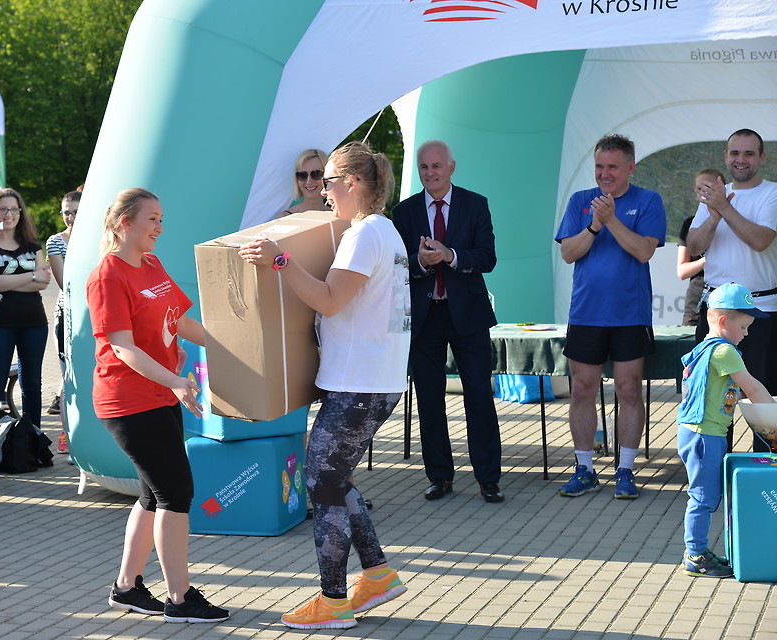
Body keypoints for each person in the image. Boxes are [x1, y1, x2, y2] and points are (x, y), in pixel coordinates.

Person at [241, 141, 410, 630]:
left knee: (321, 482)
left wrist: (281, 261)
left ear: (353, 183)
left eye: (330, 181)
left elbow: (331, 301)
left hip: (361, 382)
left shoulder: (364, 234)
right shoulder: (384, 231)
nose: (324, 190)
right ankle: (377, 575)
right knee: (334, 479)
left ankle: (334, 600)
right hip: (368, 379)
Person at [87, 188, 229, 624]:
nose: (160, 228)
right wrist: (175, 380)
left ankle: (127, 587)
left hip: (160, 395)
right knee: (175, 494)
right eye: (152, 219)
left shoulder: (151, 264)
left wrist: (228, 345)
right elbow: (123, 347)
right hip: (128, 401)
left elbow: (179, 321)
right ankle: (180, 599)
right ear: (125, 223)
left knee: (154, 494)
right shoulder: (107, 276)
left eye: (161, 219)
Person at [392, 139, 504, 504]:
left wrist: (450, 255)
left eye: (437, 166)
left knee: (479, 395)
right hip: (425, 317)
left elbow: (487, 257)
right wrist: (421, 262)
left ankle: (488, 478)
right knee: (429, 399)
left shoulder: (475, 204)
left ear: (451, 167)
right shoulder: (404, 212)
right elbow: (398, 265)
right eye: (424, 167)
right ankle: (439, 476)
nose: (431, 173)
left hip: (468, 315)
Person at [555, 134, 666, 499]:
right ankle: (585, 468)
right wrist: (594, 225)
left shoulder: (648, 200)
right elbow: (568, 253)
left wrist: (611, 219)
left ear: (630, 167)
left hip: (630, 314)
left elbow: (643, 251)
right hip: (586, 313)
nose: (604, 174)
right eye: (599, 166)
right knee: (582, 389)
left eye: (613, 167)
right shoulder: (580, 201)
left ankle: (625, 469)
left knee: (628, 390)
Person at [684, 129, 777, 453]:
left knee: (760, 395)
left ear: (762, 158)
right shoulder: (714, 195)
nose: (741, 160)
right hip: (716, 314)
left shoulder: (771, 193)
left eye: (749, 153)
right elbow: (693, 247)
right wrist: (713, 215)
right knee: (712, 395)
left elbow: (760, 240)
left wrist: (724, 207)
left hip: (760, 311)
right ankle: (713, 468)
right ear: (726, 157)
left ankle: (764, 469)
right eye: (735, 153)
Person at [677, 283, 774, 578]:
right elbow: (753, 389)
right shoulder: (724, 351)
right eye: (743, 327)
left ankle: (699, 551)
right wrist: (773, 420)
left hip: (701, 433)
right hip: (705, 435)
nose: (746, 333)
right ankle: (695, 555)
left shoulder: (705, 349)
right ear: (722, 322)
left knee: (706, 495)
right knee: (703, 497)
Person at [0, 188, 50, 434]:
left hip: (34, 323)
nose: (9, 214)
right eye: (3, 209)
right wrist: (30, 276)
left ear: (20, 212)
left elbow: (44, 282)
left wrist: (6, 282)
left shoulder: (31, 244)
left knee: (32, 385)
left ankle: (33, 439)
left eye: (14, 209)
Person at [45, 191, 79, 453]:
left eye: (76, 212)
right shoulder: (56, 241)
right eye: (66, 212)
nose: (71, 217)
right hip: (68, 314)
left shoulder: (101, 238)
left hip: (96, 313)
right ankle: (68, 435)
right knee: (69, 377)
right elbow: (63, 281)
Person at [677, 170, 723, 326]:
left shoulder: (734, 219)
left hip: (727, 303)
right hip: (696, 306)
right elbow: (682, 271)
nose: (702, 192)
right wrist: (707, 259)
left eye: (707, 187)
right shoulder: (690, 224)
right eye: (699, 188)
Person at [275, 149, 329, 217]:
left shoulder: (337, 215)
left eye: (316, 174)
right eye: (302, 175)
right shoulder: (285, 218)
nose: (309, 182)